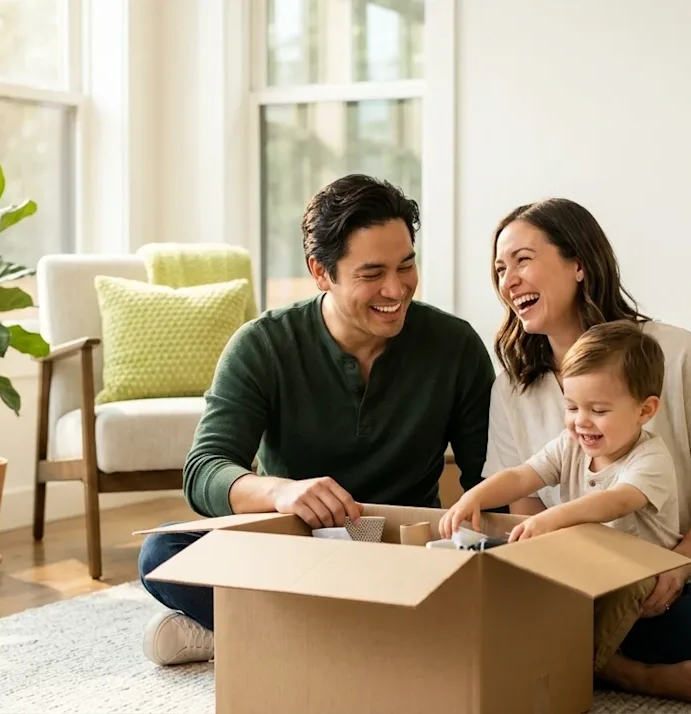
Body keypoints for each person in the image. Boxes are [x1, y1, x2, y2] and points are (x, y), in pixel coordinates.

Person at [136, 174, 495, 667]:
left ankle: (256, 633)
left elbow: (487, 478)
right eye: (372, 274)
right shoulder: (263, 344)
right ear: (321, 272)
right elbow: (204, 470)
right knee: (164, 552)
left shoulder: (455, 346)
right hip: (292, 553)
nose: (397, 288)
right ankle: (355, 641)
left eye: (406, 265)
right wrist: (283, 491)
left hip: (401, 557)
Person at [483, 197, 691, 707]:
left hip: (685, 581)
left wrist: (678, 567)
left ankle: (576, 656)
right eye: (501, 269)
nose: (509, 280)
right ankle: (624, 670)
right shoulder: (512, 388)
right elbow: (524, 510)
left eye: (523, 260)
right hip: (578, 592)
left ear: (579, 264)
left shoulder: (674, 351)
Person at [441, 320, 691, 702]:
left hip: (644, 583)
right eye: (571, 406)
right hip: (588, 574)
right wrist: (474, 498)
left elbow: (615, 501)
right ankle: (603, 663)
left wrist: (550, 518)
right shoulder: (571, 444)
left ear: (645, 410)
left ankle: (629, 674)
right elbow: (522, 475)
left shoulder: (650, 458)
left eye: (598, 410)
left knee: (625, 605)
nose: (581, 421)